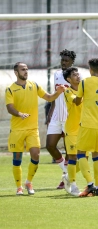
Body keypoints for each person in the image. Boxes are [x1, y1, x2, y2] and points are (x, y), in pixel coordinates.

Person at [5, 62, 65, 195]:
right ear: (16, 73)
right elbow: (9, 107)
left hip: (32, 128)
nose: (26, 71)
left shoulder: (34, 85)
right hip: (17, 130)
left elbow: (49, 97)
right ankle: (19, 187)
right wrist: (19, 114)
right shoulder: (10, 89)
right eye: (23, 69)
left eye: (26, 69)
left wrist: (58, 92)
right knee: (17, 158)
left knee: (36, 155)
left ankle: (29, 182)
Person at [75, 58, 98, 197]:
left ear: (90, 69)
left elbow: (78, 101)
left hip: (88, 123)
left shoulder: (84, 82)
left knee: (81, 152)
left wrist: (74, 98)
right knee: (96, 154)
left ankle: (90, 185)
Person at [46, 49, 76, 189]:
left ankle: (66, 180)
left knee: (69, 150)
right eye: (62, 60)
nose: (64, 62)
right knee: (50, 146)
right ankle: (66, 172)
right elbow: (55, 95)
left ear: (72, 62)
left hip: (70, 117)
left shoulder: (75, 75)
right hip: (57, 116)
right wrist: (51, 112)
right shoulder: (57, 74)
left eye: (66, 60)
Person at [61, 67, 83, 196]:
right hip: (72, 129)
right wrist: (84, 90)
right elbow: (77, 100)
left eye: (78, 74)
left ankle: (68, 176)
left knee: (84, 159)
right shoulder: (67, 91)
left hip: (84, 129)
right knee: (73, 157)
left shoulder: (85, 89)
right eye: (74, 75)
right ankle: (74, 185)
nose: (78, 76)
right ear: (69, 79)